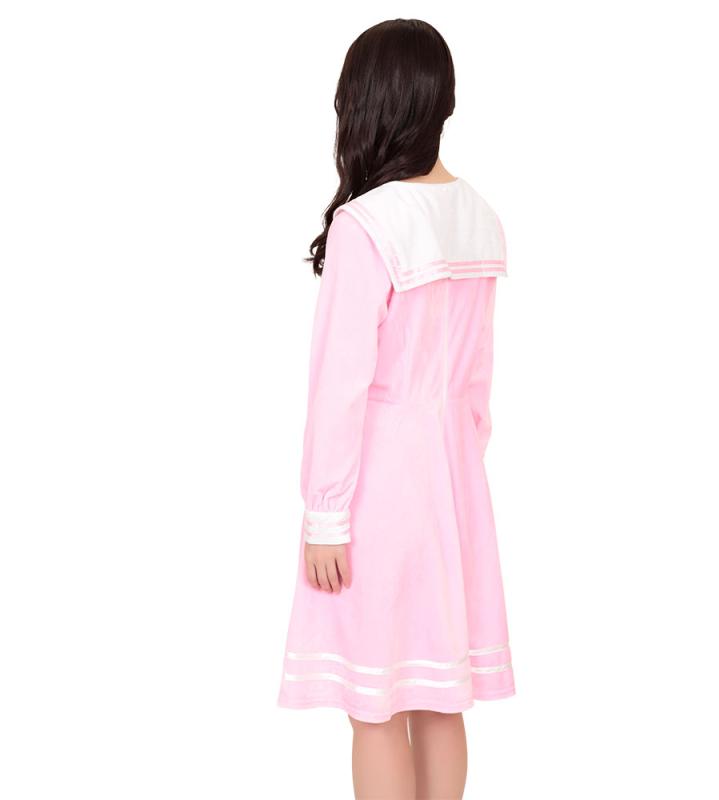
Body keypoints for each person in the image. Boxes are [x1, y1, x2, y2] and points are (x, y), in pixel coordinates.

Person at [277, 18, 515, 799]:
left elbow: (339, 383)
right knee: (440, 695)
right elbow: (477, 385)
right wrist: (456, 474)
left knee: (373, 703)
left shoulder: (368, 223)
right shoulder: (480, 217)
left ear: (371, 101)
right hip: (453, 485)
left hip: (378, 488)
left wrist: (325, 515)